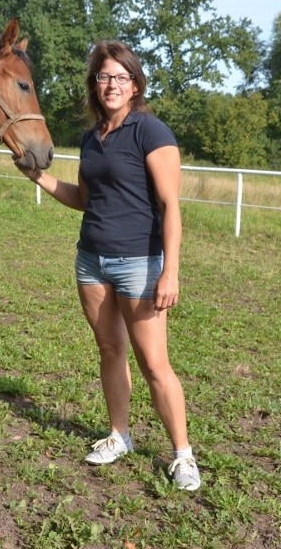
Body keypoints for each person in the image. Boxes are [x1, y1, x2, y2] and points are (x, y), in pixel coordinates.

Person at [27, 40, 201, 491]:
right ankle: (119, 435)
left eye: (120, 77)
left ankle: (182, 455)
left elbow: (171, 205)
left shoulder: (151, 132)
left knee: (154, 364)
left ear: (135, 84)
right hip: (91, 261)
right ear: (94, 84)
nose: (111, 84)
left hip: (140, 264)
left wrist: (171, 271)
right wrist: (40, 178)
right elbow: (84, 199)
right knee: (110, 351)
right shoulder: (91, 137)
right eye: (104, 76)